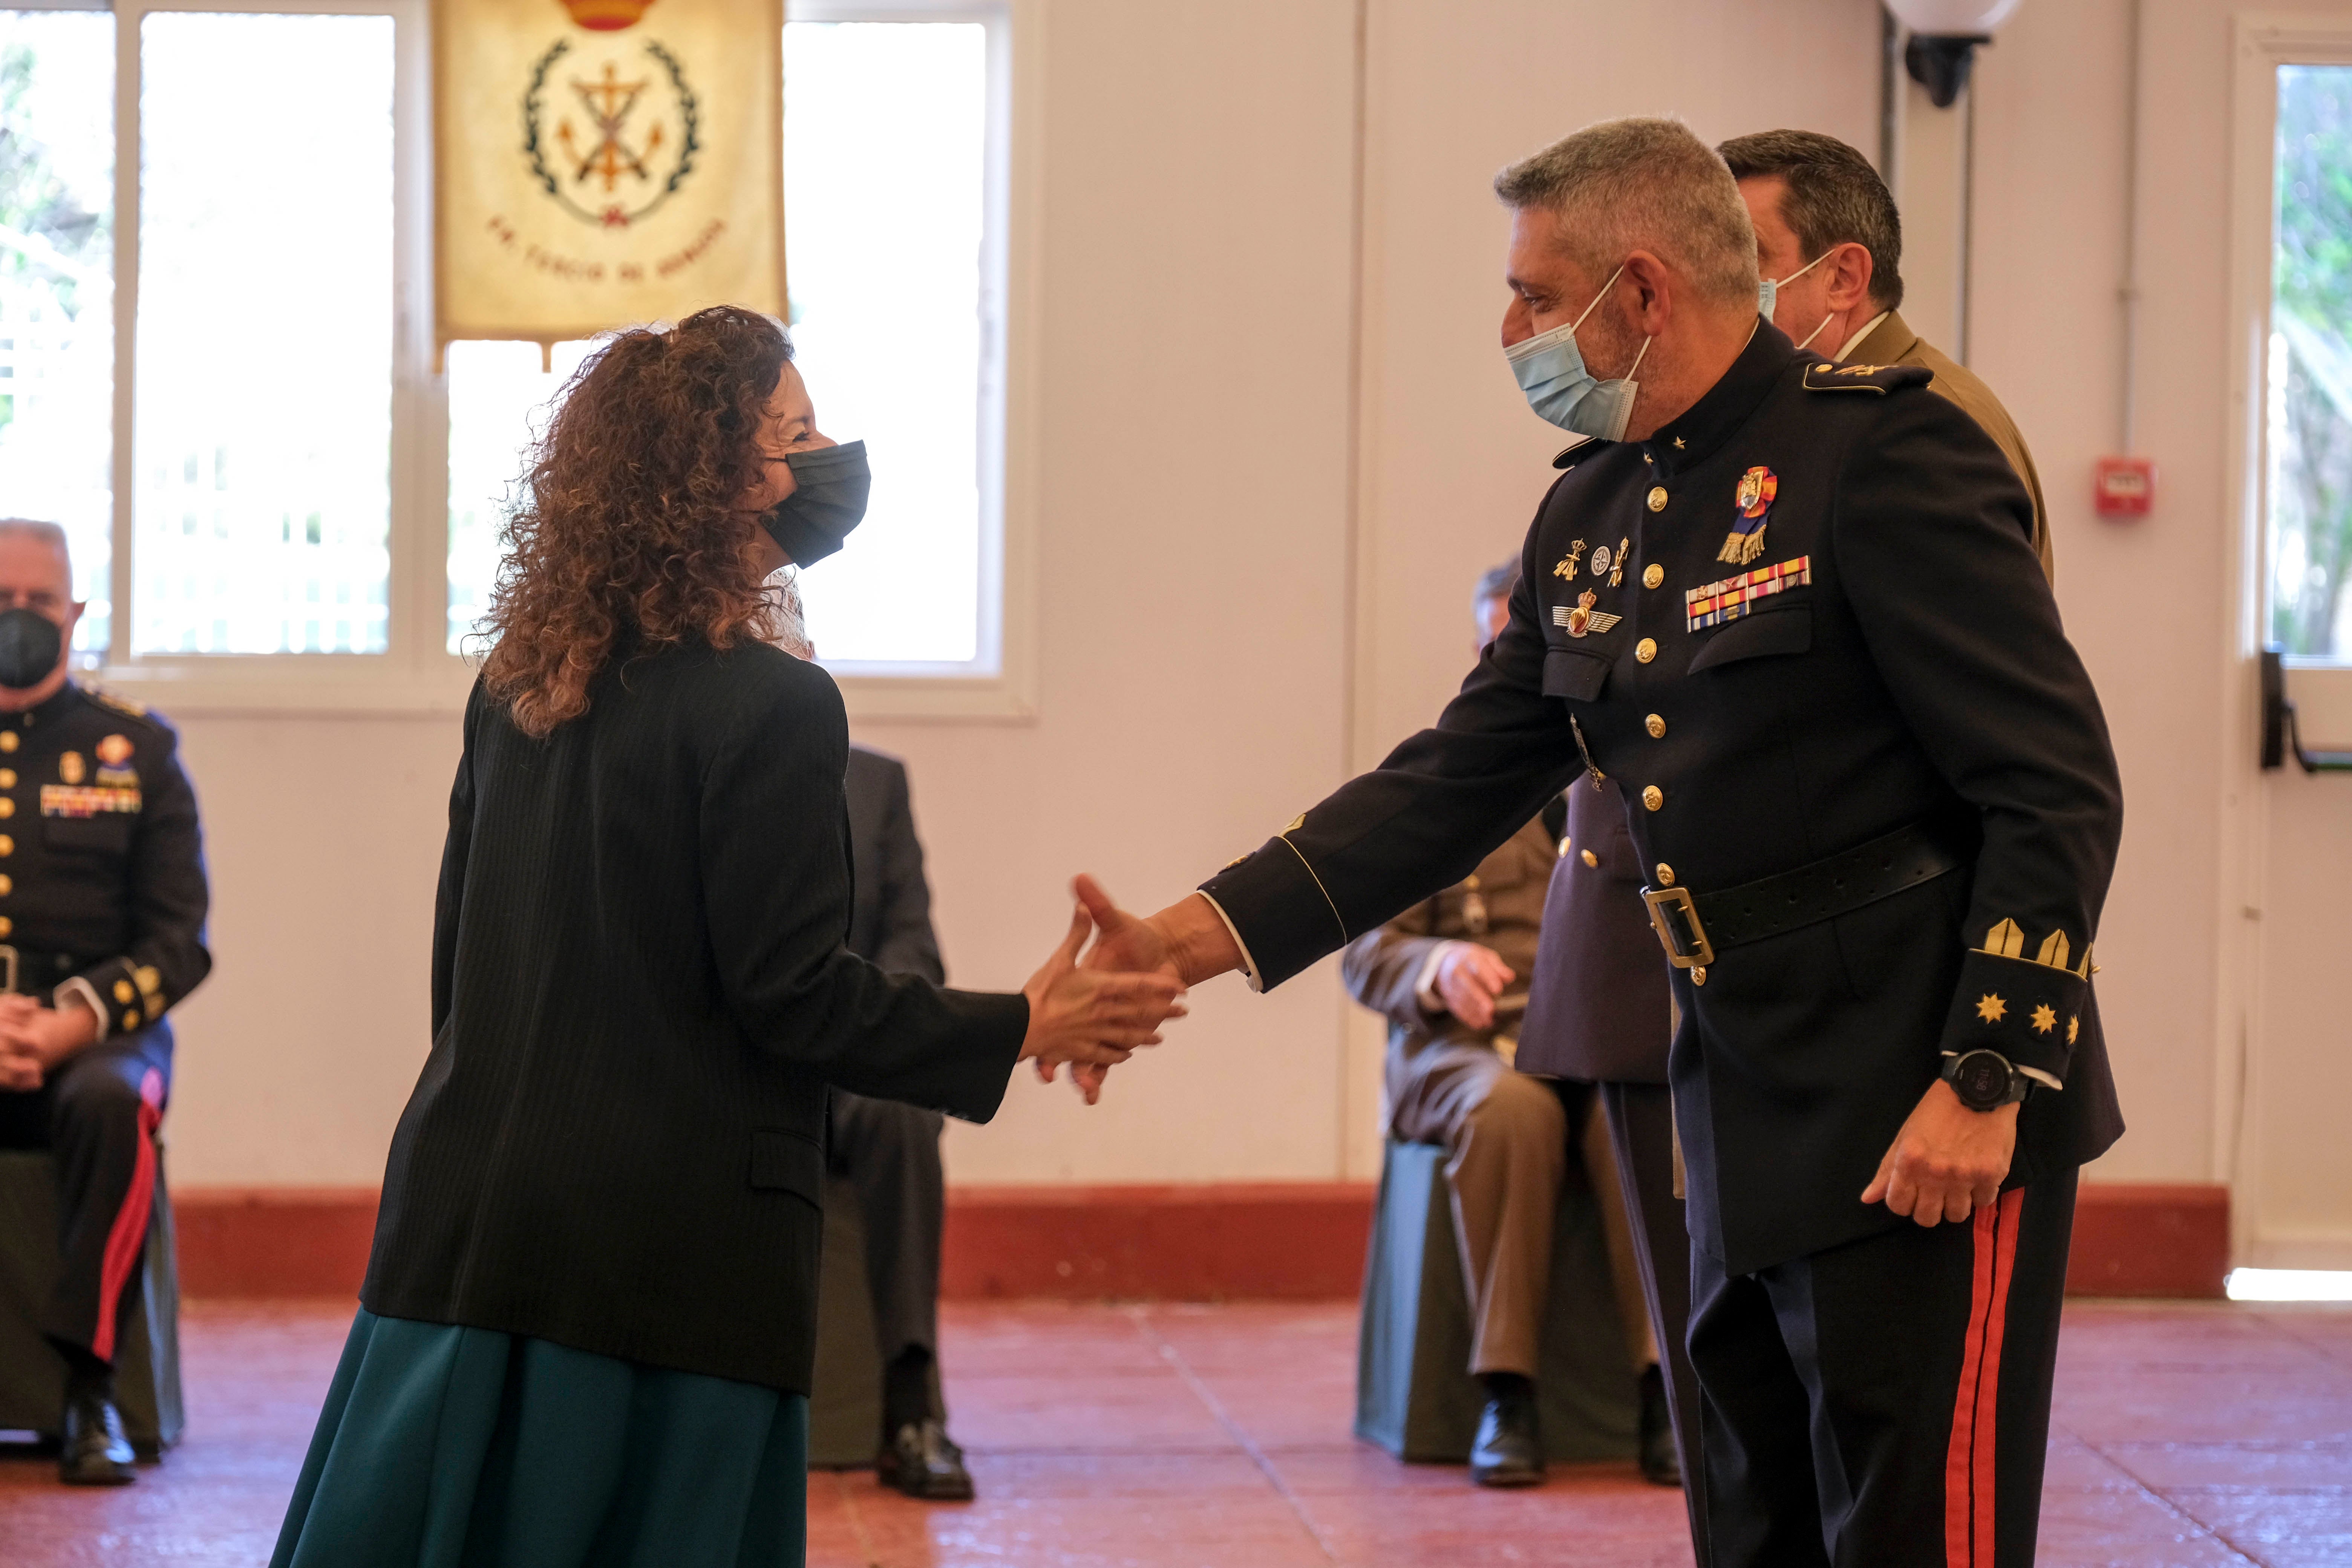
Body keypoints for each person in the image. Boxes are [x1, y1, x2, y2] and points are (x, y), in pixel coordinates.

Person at [1078, 118, 2124, 1568]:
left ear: (1638, 293)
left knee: (1909, 1531)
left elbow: (2053, 785)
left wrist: (1987, 1076)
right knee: (1752, 1518)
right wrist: (1179, 941)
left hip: (1917, 1097)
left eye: (1531, 294)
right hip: (1730, 1083)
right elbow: (1445, 785)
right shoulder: (1592, 513)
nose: (1508, 329)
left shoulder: (1884, 460)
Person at [268, 306, 1185, 1568]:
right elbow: (794, 995)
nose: (826, 458)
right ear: (715, 475)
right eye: (794, 434)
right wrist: (1028, 1023)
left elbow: (460, 979)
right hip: (664, 1265)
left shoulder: (518, 687)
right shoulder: (775, 702)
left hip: (464, 1226)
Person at [1339, 560, 1671, 1489]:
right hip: (1463, 1048)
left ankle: (1663, 1391)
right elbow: (1363, 953)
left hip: (1598, 1044)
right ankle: (1506, 1395)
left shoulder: (1634, 775)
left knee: (1637, 1118)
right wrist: (1436, 968)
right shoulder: (1449, 780)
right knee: (1511, 1113)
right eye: (1502, 647)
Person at [0, 518, 210, 1488]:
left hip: (100, 1036)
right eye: (2, 599)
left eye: (39, 600)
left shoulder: (138, 749)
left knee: (112, 1105)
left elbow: (178, 939)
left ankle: (90, 1393)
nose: (20, 617)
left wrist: (71, 1020)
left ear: (75, 613)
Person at [1718, 128, 2053, 581]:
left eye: (1746, 260)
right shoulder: (1816, 410)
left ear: (1842, 279)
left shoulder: (1928, 428)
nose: (1715, 290)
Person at [829, 743, 977, 1500]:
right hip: (740, 1057)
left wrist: (864, 1024)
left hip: (846, 1050)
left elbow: (914, 939)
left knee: (907, 1114)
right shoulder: (696, 759)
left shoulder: (876, 780)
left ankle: (911, 1404)